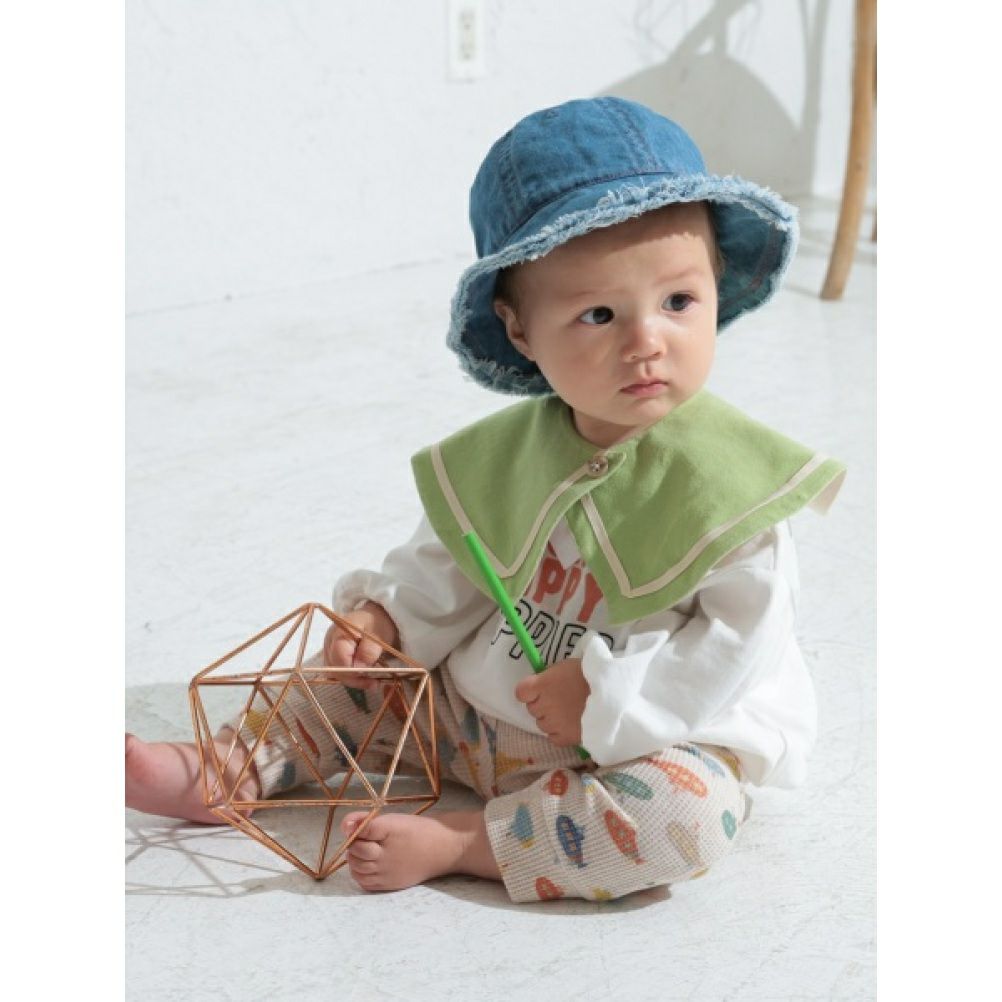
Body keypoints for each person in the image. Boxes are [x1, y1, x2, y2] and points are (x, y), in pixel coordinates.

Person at [126, 96, 845, 903]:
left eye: (678, 302)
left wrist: (606, 694)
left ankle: (474, 842)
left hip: (636, 745)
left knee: (687, 815)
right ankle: (228, 766)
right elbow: (449, 561)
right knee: (351, 682)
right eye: (599, 314)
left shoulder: (734, 487)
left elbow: (734, 646)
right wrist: (386, 620)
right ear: (519, 332)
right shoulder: (509, 457)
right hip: (469, 719)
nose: (647, 341)